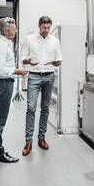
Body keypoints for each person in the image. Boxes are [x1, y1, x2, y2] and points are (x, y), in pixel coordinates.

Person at [0, 17, 28, 163]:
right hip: (3, 84)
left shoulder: (5, 43)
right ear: (6, 30)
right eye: (14, 27)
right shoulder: (0, 45)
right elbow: (0, 69)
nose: (16, 30)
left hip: (3, 83)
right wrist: (17, 71)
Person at [21, 16, 62, 156]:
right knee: (31, 108)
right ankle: (28, 141)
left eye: (48, 28)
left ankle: (41, 138)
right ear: (39, 26)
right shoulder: (30, 39)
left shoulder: (55, 41)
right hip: (34, 76)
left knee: (45, 108)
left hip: (49, 76)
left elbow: (59, 57)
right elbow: (22, 56)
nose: (46, 30)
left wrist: (57, 62)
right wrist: (27, 61)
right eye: (44, 28)